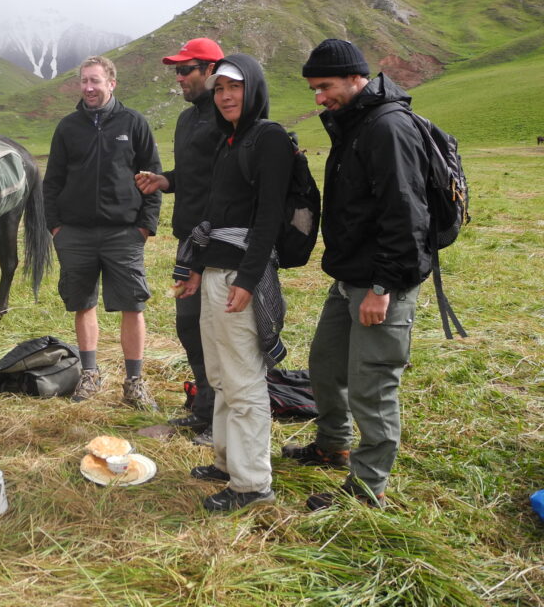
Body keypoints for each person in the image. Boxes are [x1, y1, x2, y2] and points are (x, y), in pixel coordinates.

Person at [284, 39, 431, 510]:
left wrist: (383, 287)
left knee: (372, 386)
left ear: (355, 77)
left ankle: (369, 488)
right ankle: (333, 445)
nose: (319, 97)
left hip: (381, 283)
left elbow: (406, 215)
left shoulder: (387, 128)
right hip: (350, 277)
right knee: (326, 367)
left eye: (325, 86)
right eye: (313, 88)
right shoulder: (356, 123)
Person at [182, 54, 293, 511]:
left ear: (255, 90)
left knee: (245, 380)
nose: (226, 96)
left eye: (236, 87)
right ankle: (228, 462)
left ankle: (252, 485)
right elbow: (216, 213)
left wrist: (247, 280)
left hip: (240, 275)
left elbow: (268, 217)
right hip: (216, 270)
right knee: (221, 374)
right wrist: (194, 265)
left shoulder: (268, 139)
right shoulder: (230, 141)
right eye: (220, 89)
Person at [43, 55, 162, 409]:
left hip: (123, 232)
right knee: (83, 303)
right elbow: (52, 182)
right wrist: (56, 228)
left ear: (111, 83)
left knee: (132, 304)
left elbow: (151, 176)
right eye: (84, 81)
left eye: (95, 81)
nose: (89, 88)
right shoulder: (68, 127)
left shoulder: (133, 122)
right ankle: (90, 374)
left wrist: (145, 226)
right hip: (75, 233)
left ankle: (134, 382)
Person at [135, 38, 225, 444]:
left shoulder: (229, 115)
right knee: (189, 326)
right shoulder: (188, 120)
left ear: (209, 70)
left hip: (223, 243)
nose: (178, 78)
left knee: (221, 332)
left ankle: (224, 420)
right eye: (176, 70)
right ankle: (205, 410)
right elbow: (194, 173)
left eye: (185, 69)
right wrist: (165, 180)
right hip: (189, 240)